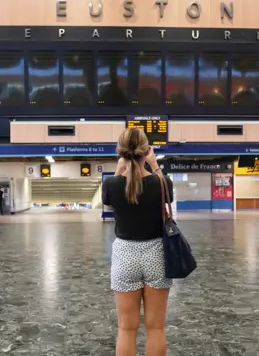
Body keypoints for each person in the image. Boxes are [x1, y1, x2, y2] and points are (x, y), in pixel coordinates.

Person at [102, 127, 174, 356]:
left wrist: (119, 168)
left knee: (126, 328)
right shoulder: (161, 183)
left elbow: (107, 200)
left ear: (121, 152)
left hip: (125, 257)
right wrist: (154, 166)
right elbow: (166, 192)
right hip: (156, 255)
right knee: (155, 327)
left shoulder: (111, 185)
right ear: (147, 151)